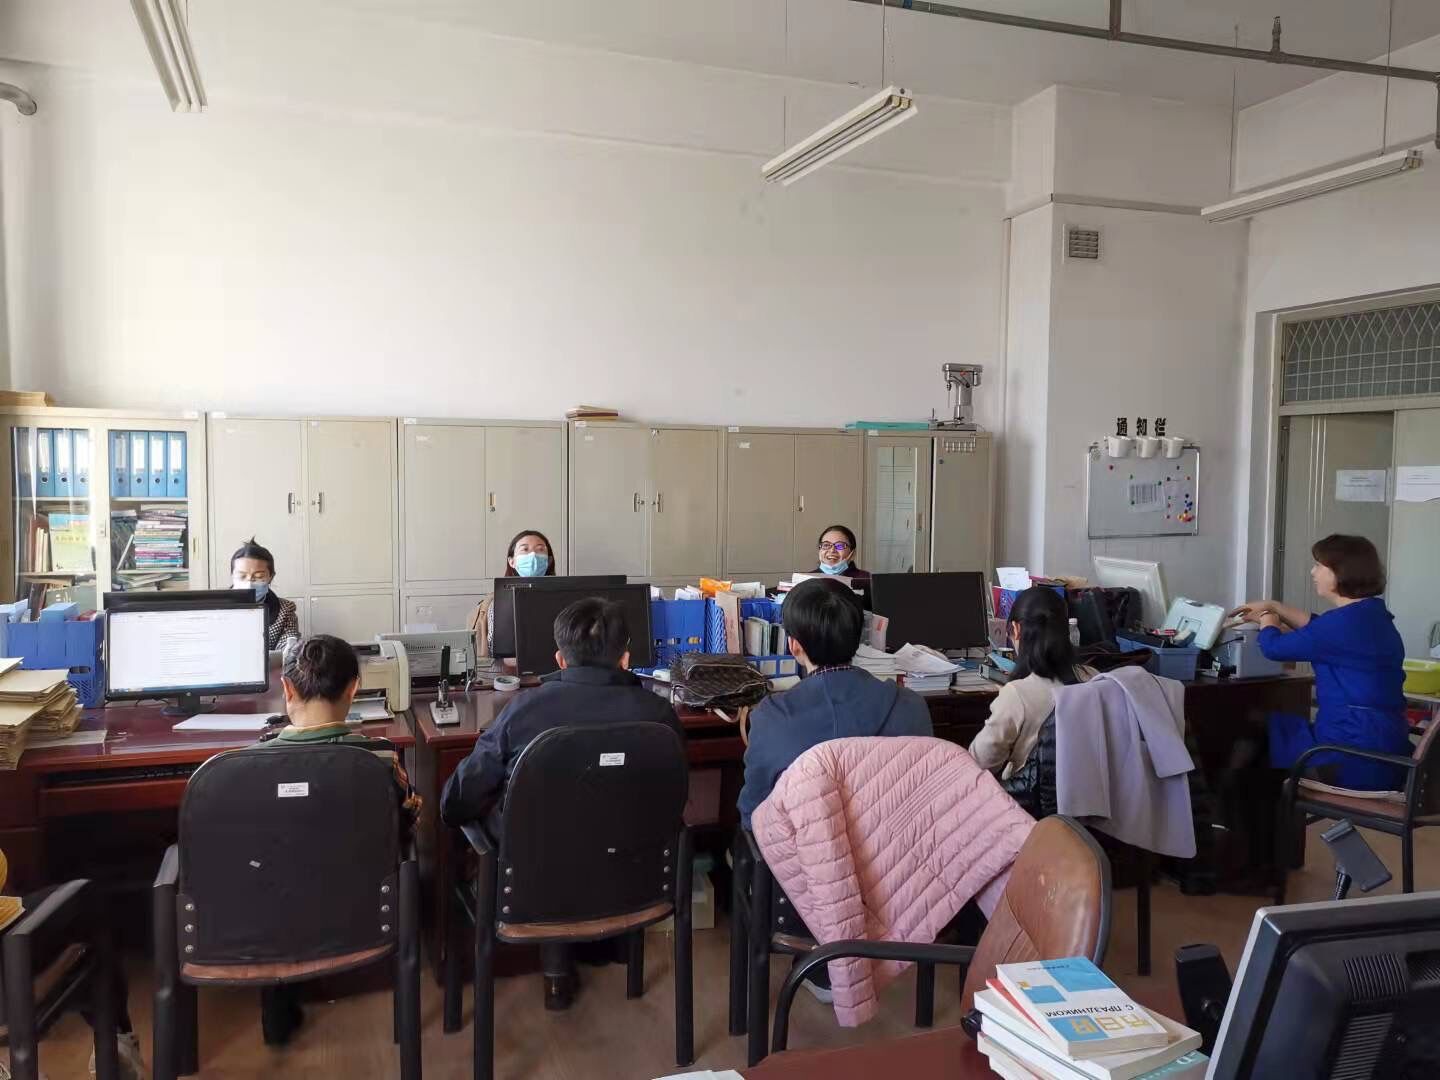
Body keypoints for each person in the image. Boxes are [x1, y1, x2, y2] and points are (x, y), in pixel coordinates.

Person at [441, 597, 683, 1010]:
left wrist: (455, 810)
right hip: (634, 881)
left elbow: (459, 799)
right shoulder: (660, 715)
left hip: (531, 887)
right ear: (626, 658)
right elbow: (672, 796)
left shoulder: (524, 710)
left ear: (559, 658)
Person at [252, 634, 420, 1046]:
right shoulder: (381, 758)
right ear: (354, 689)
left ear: (287, 689)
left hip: (277, 910)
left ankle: (277, 1016)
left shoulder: (251, 764)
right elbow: (407, 819)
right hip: (362, 905)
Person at [738, 577, 931, 828]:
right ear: (858, 639)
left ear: (794, 646)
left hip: (805, 851)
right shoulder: (911, 705)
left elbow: (753, 815)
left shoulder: (771, 717)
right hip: (898, 847)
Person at [1231, 534, 1408, 792]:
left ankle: (1237, 813)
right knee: (1266, 728)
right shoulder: (1371, 615)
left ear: (1340, 572)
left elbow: (1274, 648)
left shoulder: (1341, 625)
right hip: (1382, 747)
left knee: (1253, 737)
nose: (1313, 572)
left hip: (1351, 756)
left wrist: (1268, 618)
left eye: (1319, 565)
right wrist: (1274, 606)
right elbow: (1318, 626)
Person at [970, 587, 1096, 779]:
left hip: (1029, 796)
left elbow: (979, 764)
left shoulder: (1017, 695)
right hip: (1089, 793)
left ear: (1016, 630)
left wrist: (1007, 702)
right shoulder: (1095, 678)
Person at [471, 528, 557, 656]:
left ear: (549, 561)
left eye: (540, 549)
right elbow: (494, 648)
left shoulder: (563, 596)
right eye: (525, 549)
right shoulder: (497, 603)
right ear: (512, 561)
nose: (533, 555)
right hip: (509, 667)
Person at [230, 537, 300, 651]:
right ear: (232, 576)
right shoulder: (214, 607)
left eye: (259, 576)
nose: (249, 583)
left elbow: (286, 648)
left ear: (271, 577)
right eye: (242, 576)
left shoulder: (285, 610)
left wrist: (289, 650)